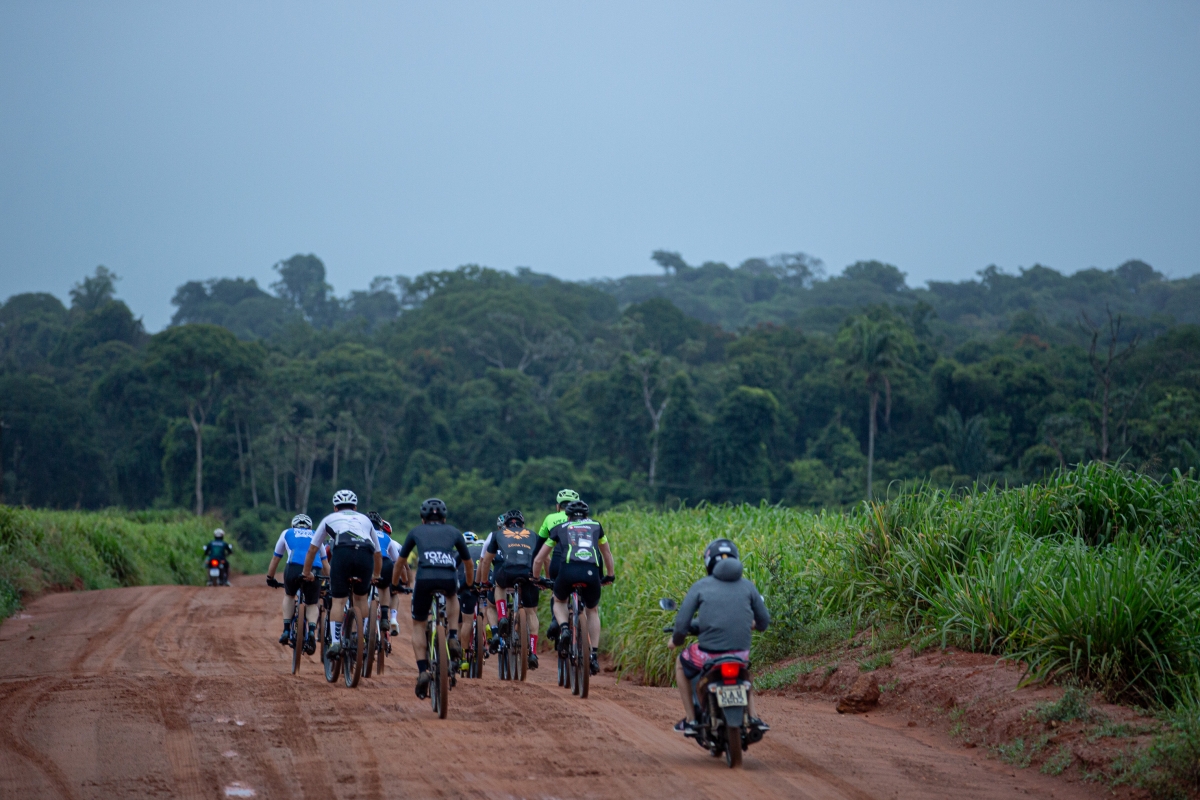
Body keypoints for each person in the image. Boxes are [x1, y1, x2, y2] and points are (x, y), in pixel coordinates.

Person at [667, 538, 770, 736]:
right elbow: (764, 622)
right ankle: (753, 716)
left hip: (709, 655)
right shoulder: (748, 586)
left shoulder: (700, 586)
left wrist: (676, 641)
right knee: (744, 674)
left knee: (681, 662)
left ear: (708, 562)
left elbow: (681, 624)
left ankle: (691, 719)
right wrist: (754, 624)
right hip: (740, 654)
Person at [396, 498, 474, 699]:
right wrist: (469, 584)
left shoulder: (415, 531)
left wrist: (396, 583)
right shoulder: (454, 532)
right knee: (452, 596)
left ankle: (423, 670)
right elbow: (468, 563)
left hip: (424, 578)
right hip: (448, 577)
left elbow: (401, 562)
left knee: (419, 625)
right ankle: (453, 636)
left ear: (422, 518)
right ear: (444, 518)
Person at [531, 500, 614, 677]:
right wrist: (610, 575)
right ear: (586, 515)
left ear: (567, 516)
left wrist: (536, 578)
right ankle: (593, 654)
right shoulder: (596, 526)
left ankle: (564, 628)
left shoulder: (559, 528)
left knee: (559, 601)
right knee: (592, 610)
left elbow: (539, 559)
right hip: (591, 573)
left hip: (567, 572)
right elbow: (606, 553)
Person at [301, 490, 382, 659]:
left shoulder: (329, 519)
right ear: (355, 507)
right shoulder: (365, 520)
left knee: (339, 600)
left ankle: (336, 642)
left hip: (342, 554)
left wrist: (306, 572)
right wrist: (376, 574)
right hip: (365, 555)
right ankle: (362, 638)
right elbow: (378, 553)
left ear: (335, 508)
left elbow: (312, 550)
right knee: (361, 598)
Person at [476, 509, 540, 670]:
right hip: (528, 574)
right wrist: (541, 579)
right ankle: (533, 651)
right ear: (522, 524)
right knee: (531, 612)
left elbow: (485, 561)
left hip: (506, 572)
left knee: (499, 587)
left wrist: (484, 582)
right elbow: (544, 558)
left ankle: (502, 617)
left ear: (504, 525)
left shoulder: (497, 535)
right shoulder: (532, 534)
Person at [265, 514, 323, 652]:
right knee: (312, 603)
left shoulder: (287, 533)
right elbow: (325, 563)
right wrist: (330, 581)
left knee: (289, 595)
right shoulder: (316, 534)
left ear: (293, 525)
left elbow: (276, 558)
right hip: (314, 569)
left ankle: (286, 630)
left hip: (293, 567)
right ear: (310, 527)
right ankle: (311, 631)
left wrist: (270, 577)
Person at [534, 489, 577, 641]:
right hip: (583, 563)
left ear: (558, 506)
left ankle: (555, 620)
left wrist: (535, 575)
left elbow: (539, 548)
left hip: (558, 563)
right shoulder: (585, 521)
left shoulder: (550, 518)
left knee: (557, 594)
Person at [368, 512, 403, 636]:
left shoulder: (363, 534)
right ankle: (389, 618)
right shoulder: (389, 540)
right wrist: (404, 581)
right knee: (389, 589)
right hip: (388, 566)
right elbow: (400, 563)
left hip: (368, 563)